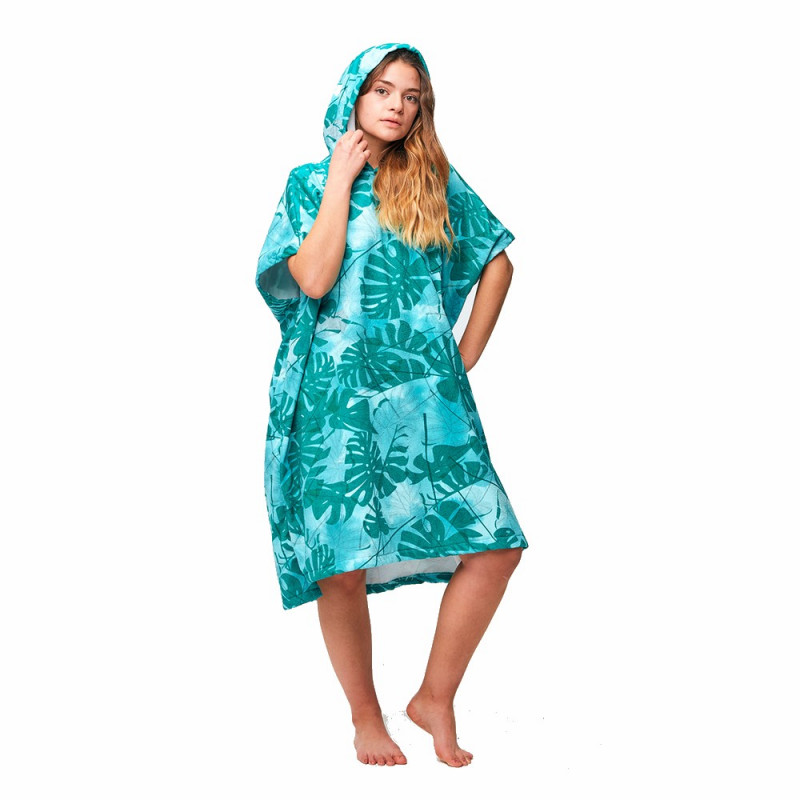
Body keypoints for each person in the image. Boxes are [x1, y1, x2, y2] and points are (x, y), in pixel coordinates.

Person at [255, 42, 529, 768]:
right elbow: (313, 280)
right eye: (382, 89)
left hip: (423, 399)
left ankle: (434, 696)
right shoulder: (309, 182)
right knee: (341, 564)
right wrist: (341, 179)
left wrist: (463, 356)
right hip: (334, 399)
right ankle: (365, 716)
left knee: (496, 546)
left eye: (411, 96)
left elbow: (497, 261)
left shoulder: (432, 180)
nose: (397, 106)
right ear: (354, 95)